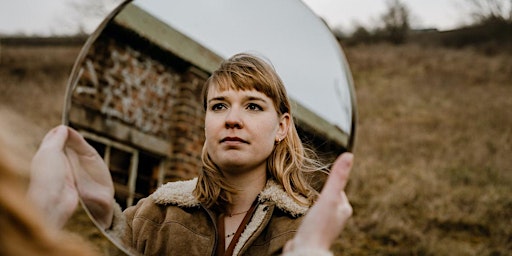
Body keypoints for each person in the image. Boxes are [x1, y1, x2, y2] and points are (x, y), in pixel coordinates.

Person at [28, 53, 354, 255]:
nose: (232, 119)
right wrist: (102, 215)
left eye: (253, 106)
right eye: (218, 106)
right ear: (206, 122)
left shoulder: (309, 226)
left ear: (282, 127)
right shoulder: (154, 215)